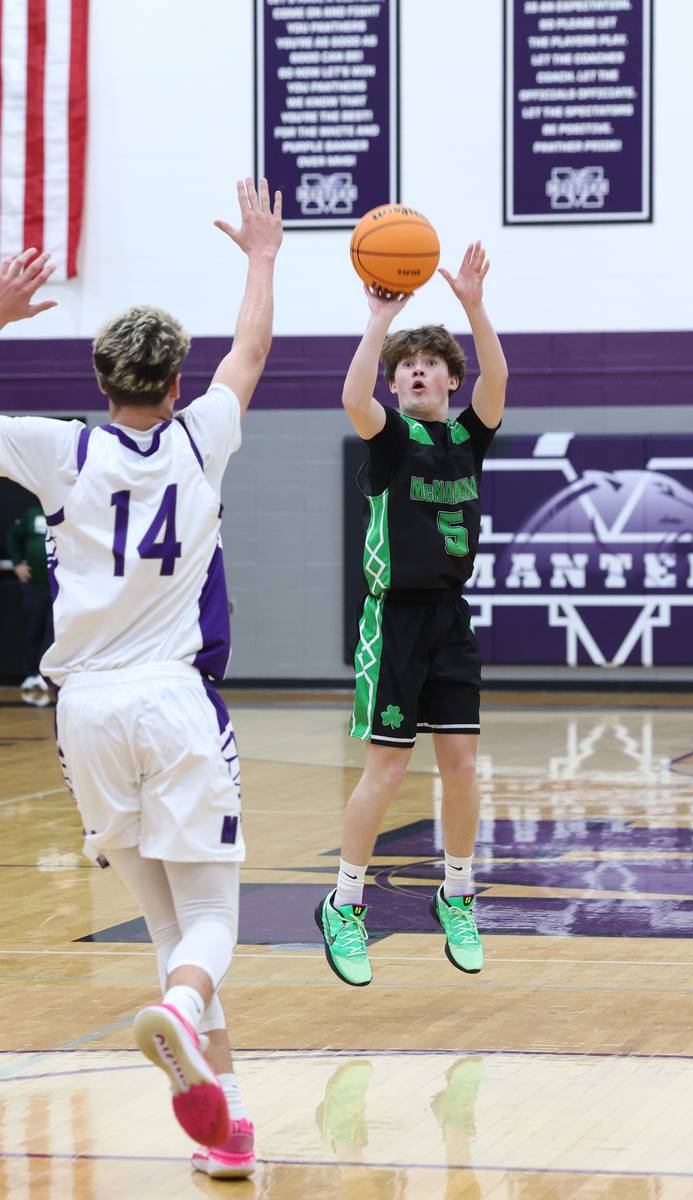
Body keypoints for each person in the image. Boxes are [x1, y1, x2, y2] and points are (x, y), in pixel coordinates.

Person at [0, 177, 282, 1180]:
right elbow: (250, 353)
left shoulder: (58, 449)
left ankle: (225, 1127)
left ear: (101, 375)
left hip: (82, 713)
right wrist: (260, 256)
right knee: (206, 927)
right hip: (172, 699)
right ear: (174, 382)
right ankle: (175, 1013)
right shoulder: (202, 437)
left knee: (167, 926)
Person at [316, 242, 508, 986]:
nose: (417, 371)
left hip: (450, 619)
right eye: (406, 366)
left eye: (430, 364)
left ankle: (457, 892)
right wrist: (378, 320)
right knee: (388, 770)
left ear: (449, 381)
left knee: (461, 767)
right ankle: (345, 904)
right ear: (395, 385)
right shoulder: (390, 440)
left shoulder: (469, 436)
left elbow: (499, 379)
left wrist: (472, 306)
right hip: (392, 621)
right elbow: (350, 400)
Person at [6, 499, 54, 694]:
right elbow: (12, 535)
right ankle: (29, 674)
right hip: (34, 585)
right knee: (33, 629)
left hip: (58, 587)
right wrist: (17, 563)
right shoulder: (33, 513)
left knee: (53, 632)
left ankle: (46, 675)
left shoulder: (67, 510)